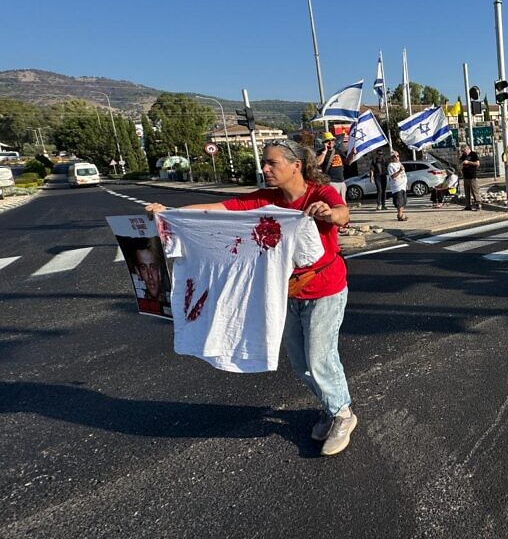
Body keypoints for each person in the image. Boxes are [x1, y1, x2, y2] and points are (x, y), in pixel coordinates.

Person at [144, 138, 357, 457]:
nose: (265, 168)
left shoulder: (317, 192)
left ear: (295, 165)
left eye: (272, 163)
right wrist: (169, 215)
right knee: (301, 363)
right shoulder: (266, 200)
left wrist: (328, 213)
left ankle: (342, 414)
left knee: (319, 357)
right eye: (264, 162)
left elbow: (342, 214)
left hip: (325, 289)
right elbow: (216, 210)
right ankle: (331, 407)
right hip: (286, 292)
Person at [317, 132, 347, 201]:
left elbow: (348, 162)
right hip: (331, 182)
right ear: (324, 142)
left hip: (341, 182)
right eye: (328, 140)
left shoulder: (338, 151)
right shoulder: (321, 152)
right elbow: (318, 162)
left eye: (332, 140)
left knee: (343, 204)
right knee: (334, 203)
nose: (331, 142)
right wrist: (325, 151)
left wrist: (352, 154)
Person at [459, 143, 481, 211]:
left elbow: (477, 163)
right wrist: (461, 165)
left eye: (464, 150)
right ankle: (468, 206)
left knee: (474, 191)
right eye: (462, 151)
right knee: (467, 192)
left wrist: (468, 162)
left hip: (472, 176)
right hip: (465, 176)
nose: (463, 152)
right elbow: (460, 162)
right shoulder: (463, 155)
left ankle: (478, 204)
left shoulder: (473, 154)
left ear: (467, 148)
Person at [388, 150, 408, 221]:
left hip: (403, 186)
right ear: (391, 158)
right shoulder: (391, 165)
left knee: (404, 201)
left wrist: (406, 184)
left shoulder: (400, 163)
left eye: (397, 156)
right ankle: (400, 215)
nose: (396, 158)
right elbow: (393, 176)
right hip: (397, 187)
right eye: (394, 156)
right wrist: (399, 170)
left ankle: (401, 214)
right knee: (399, 202)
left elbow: (404, 174)